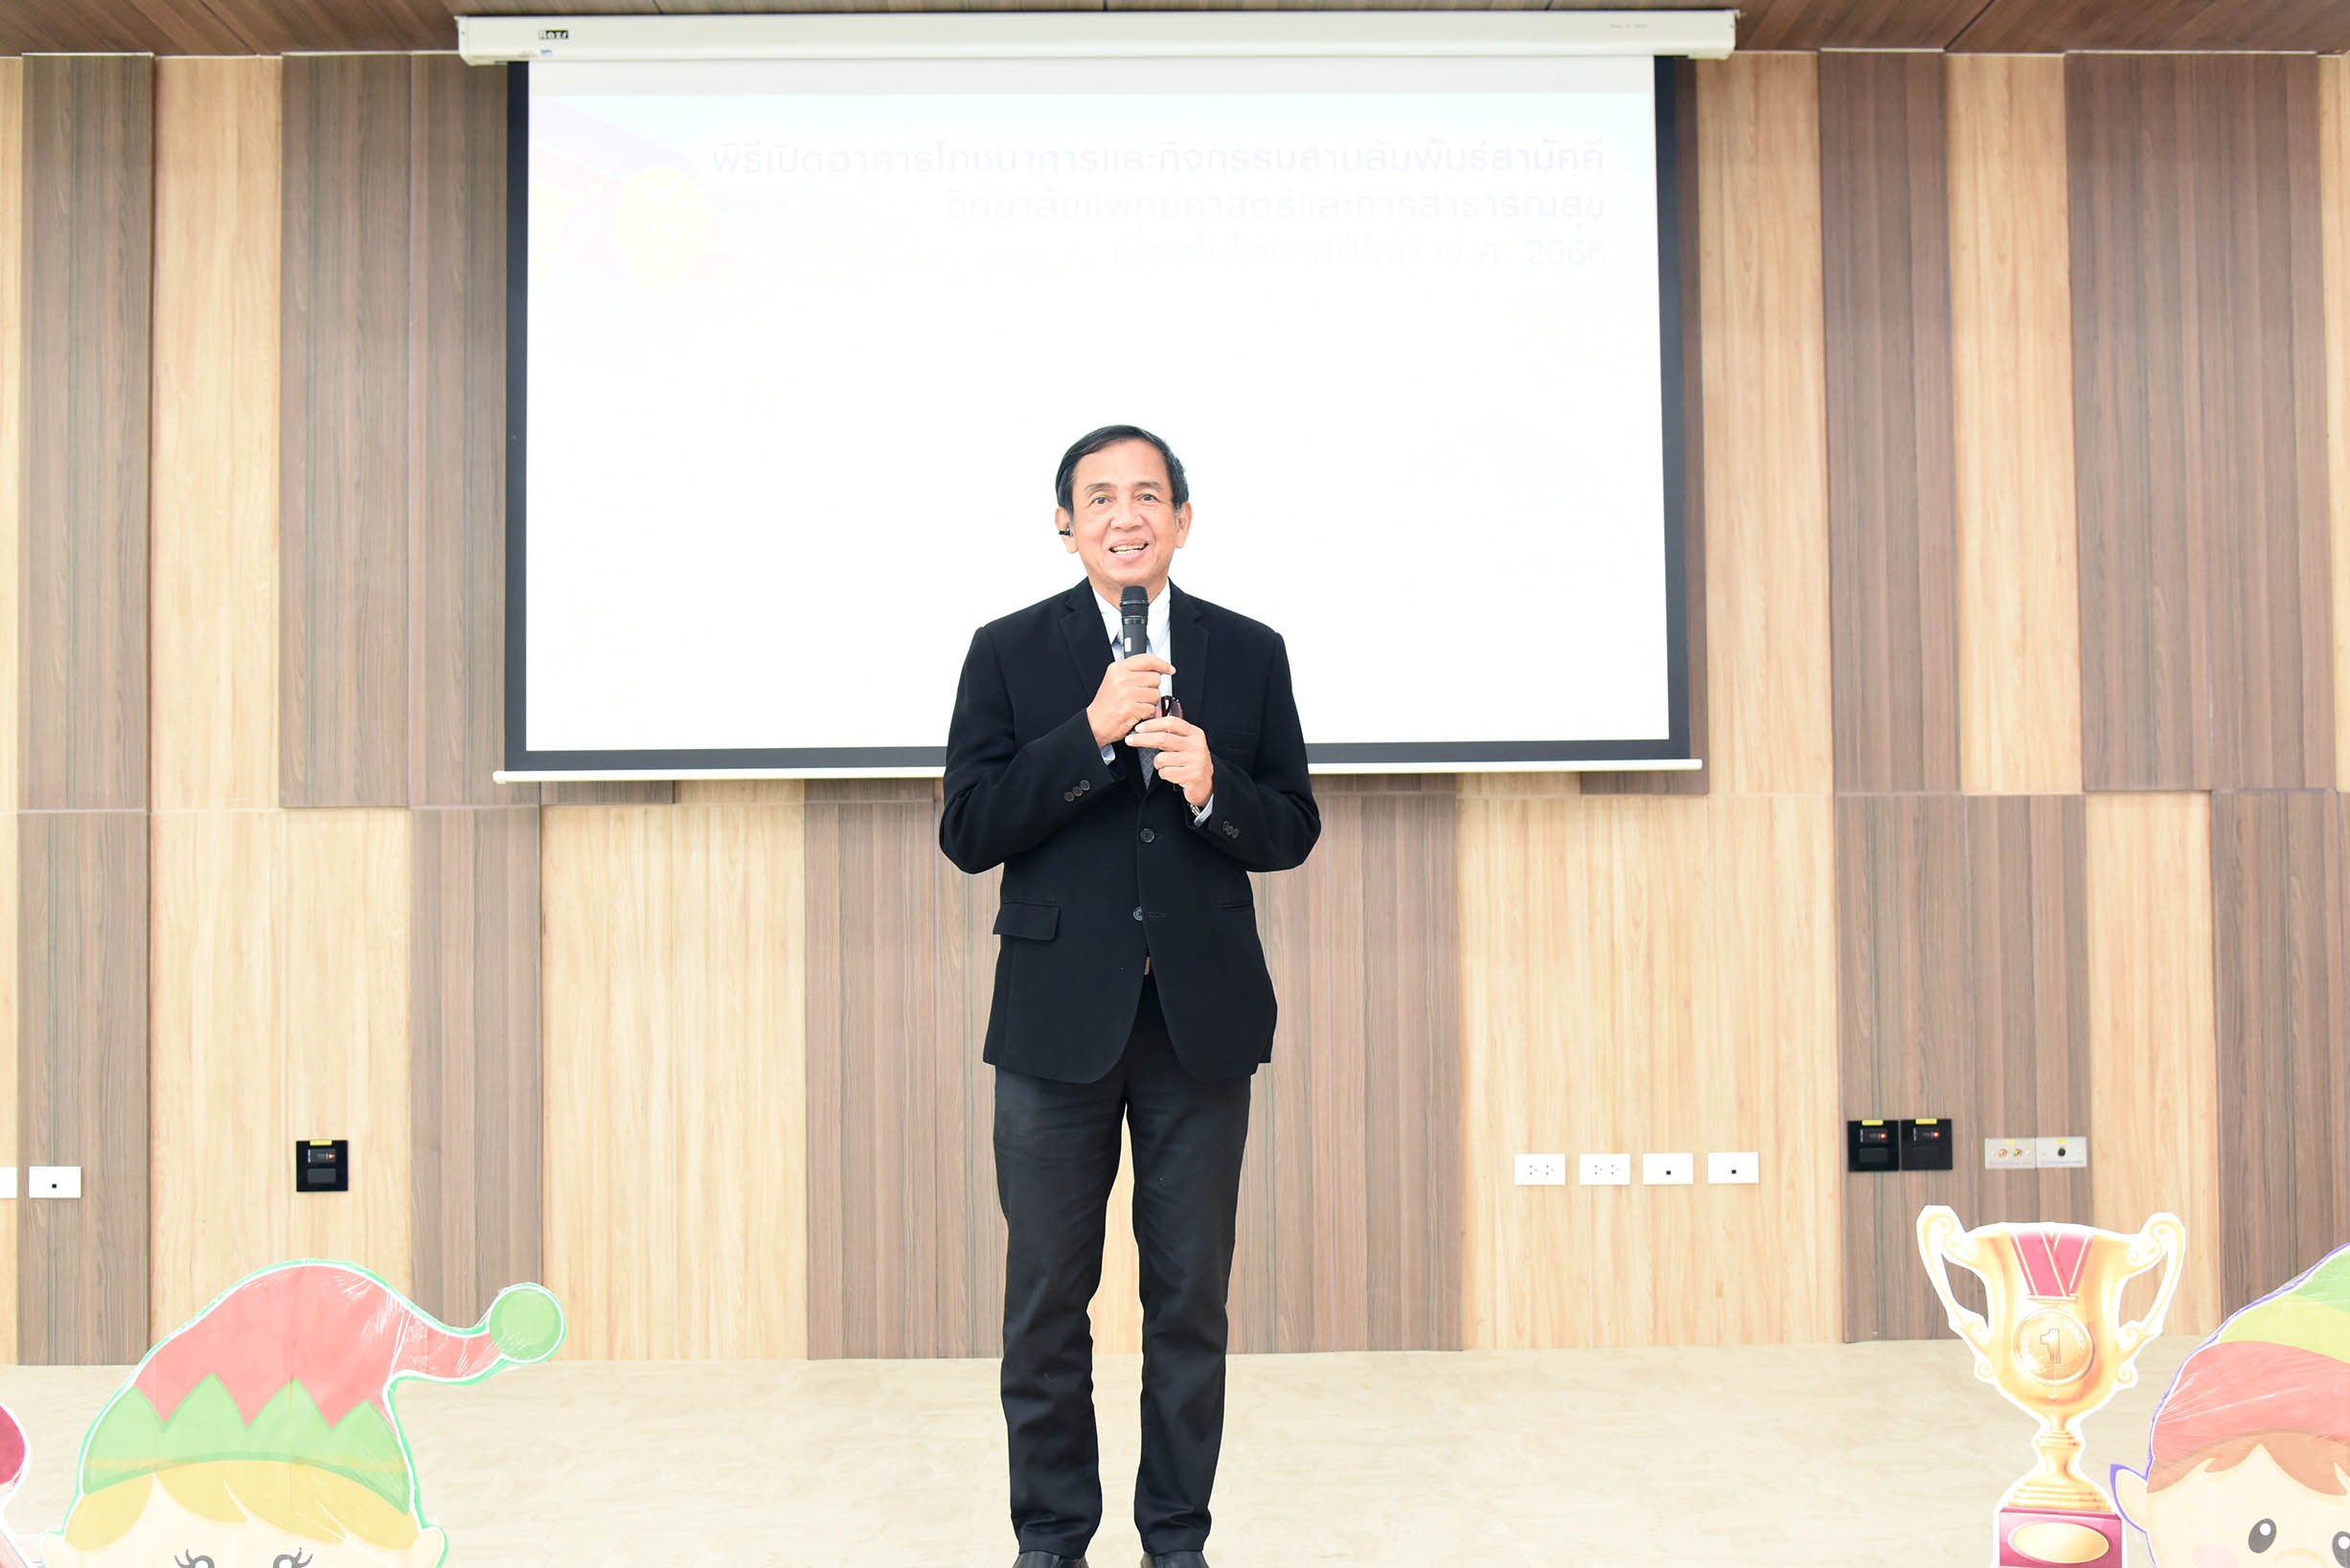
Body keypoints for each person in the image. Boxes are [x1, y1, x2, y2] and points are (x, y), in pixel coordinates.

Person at [940, 425, 1320, 1568]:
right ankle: (1052, 1537)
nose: (1125, 515)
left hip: (1198, 1022)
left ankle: (1175, 1540)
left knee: (1188, 1301)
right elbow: (969, 828)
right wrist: (1090, 733)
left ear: (1182, 520)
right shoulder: (1007, 650)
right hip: (1055, 1022)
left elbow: (1290, 826)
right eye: (1099, 497)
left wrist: (1212, 788)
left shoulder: (1247, 650)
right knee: (1046, 1301)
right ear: (1065, 524)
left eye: (1147, 495)